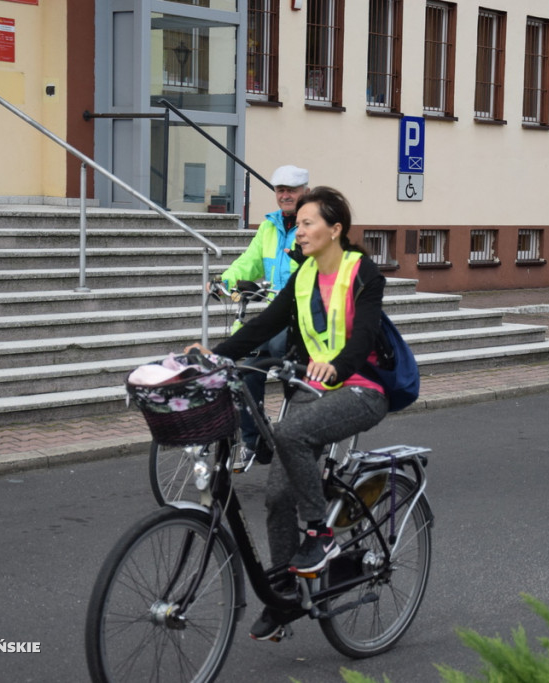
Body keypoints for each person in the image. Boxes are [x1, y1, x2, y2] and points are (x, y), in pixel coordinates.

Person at [187, 186, 389, 640]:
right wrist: (215, 356)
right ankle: (283, 599)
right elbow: (262, 324)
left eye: (307, 223)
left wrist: (338, 366)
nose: (297, 232)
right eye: (297, 225)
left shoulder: (363, 273)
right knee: (277, 496)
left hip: (361, 388)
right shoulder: (301, 277)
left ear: (335, 230)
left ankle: (320, 533)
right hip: (310, 390)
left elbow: (364, 337)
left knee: (289, 435)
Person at [215, 165, 309, 467]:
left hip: (302, 315)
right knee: (245, 371)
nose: (284, 195)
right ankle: (256, 442)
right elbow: (249, 262)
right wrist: (225, 280)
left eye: (291, 190)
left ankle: (299, 430)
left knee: (287, 363)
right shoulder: (269, 227)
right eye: (280, 190)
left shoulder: (312, 224)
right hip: (274, 313)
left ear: (304, 191)